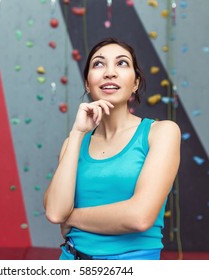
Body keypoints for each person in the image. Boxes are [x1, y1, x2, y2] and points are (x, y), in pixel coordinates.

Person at [44, 38, 181, 260]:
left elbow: (140, 216)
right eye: (98, 64)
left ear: (135, 83)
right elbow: (55, 212)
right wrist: (77, 133)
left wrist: (72, 219)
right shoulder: (73, 142)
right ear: (88, 83)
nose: (109, 72)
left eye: (122, 63)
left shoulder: (162, 132)